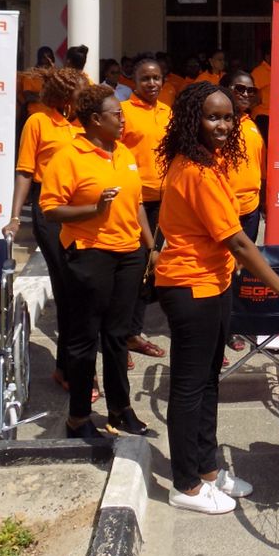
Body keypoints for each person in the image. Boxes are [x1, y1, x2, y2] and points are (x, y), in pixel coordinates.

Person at [155, 81, 279, 514]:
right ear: (192, 119)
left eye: (227, 117)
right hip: (192, 288)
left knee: (208, 383)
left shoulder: (208, 163)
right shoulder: (197, 172)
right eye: (213, 116)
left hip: (214, 284)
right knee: (189, 390)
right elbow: (241, 244)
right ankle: (185, 485)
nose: (223, 125)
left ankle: (207, 470)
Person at [41, 84, 155, 440]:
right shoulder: (69, 155)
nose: (123, 119)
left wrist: (151, 249)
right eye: (116, 114)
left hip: (129, 253)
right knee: (84, 337)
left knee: (118, 336)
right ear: (94, 120)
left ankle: (120, 410)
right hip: (89, 254)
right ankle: (78, 416)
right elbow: (50, 208)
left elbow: (136, 204)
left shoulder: (124, 152)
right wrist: (94, 209)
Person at [6, 67, 88, 396]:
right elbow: (26, 171)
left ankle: (67, 366)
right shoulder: (38, 122)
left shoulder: (86, 124)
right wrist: (15, 216)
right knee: (68, 289)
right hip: (51, 212)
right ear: (66, 96)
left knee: (81, 291)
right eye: (81, 91)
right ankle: (71, 369)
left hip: (84, 213)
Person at [120, 57, 171, 361]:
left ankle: (130, 332)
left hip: (164, 203)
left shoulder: (167, 111)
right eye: (145, 79)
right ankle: (124, 335)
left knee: (151, 269)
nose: (152, 84)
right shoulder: (123, 112)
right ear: (134, 81)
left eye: (156, 78)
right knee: (134, 268)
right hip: (132, 203)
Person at [219, 69, 266, 243]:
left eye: (251, 90)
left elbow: (260, 168)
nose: (246, 94)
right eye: (239, 88)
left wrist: (262, 203)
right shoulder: (216, 125)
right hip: (223, 209)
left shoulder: (251, 125)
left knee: (243, 267)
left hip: (251, 210)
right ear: (224, 89)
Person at [250, 42, 271, 143]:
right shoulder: (258, 72)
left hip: (276, 115)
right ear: (267, 56)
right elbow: (252, 95)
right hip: (262, 115)